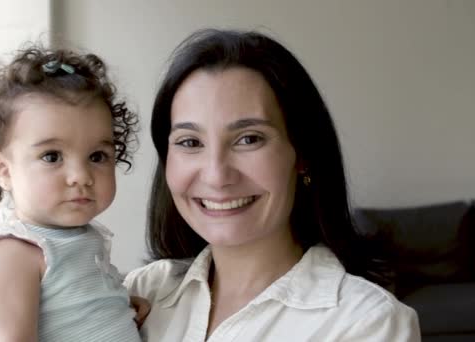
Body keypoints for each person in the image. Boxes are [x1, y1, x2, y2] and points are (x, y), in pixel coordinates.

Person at [124, 29, 421, 341]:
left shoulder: (368, 323)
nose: (216, 175)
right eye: (190, 142)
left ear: (302, 153)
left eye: (249, 139)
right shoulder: (140, 292)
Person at [0, 46, 146, 341]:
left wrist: (122, 307)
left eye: (97, 156)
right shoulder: (12, 254)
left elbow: (74, 306)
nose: (81, 176)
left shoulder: (79, 238)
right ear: (3, 170)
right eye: (52, 157)